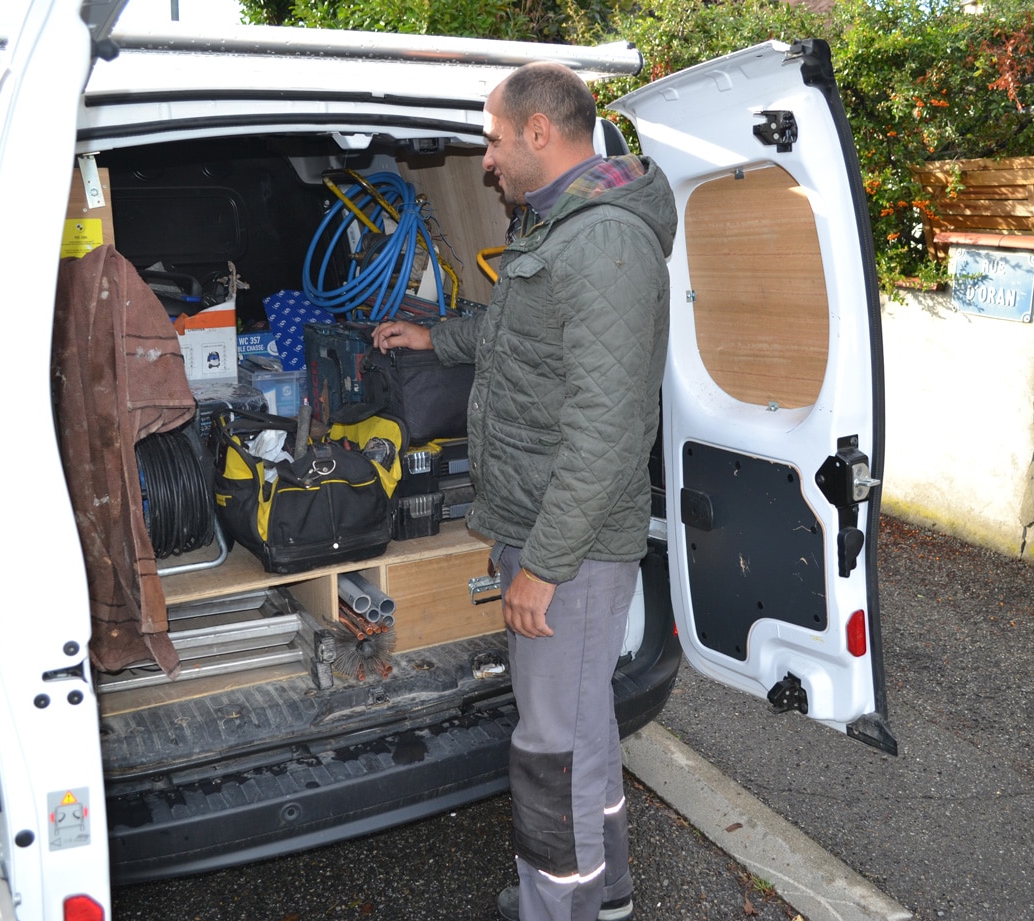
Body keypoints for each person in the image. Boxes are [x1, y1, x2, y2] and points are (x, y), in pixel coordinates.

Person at [372, 60, 676, 921]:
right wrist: (436, 339)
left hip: (568, 548)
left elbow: (608, 431)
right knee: (581, 731)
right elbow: (522, 335)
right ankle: (602, 892)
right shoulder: (559, 226)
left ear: (541, 132)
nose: (486, 160)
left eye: (494, 139)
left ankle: (563, 907)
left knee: (550, 747)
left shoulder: (606, 242)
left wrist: (542, 564)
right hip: (547, 531)